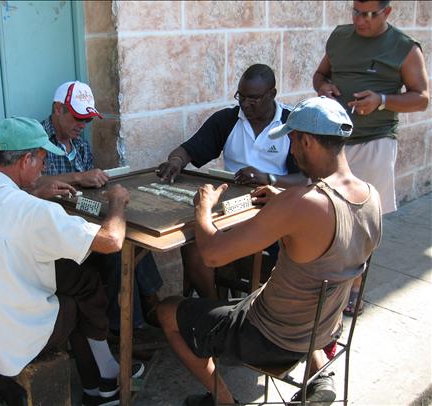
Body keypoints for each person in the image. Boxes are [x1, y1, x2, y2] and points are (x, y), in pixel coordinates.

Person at [157, 97, 382, 405]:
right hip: (324, 326)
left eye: (292, 141)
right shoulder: (371, 197)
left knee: (167, 310)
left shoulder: (301, 203)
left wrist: (203, 211)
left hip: (270, 337)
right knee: (273, 286)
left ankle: (223, 400)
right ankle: (320, 376)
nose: (291, 150)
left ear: (306, 139)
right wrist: (283, 202)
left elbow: (211, 254)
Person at [0, 117, 143, 406]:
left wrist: (34, 193)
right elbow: (111, 241)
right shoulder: (32, 211)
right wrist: (117, 201)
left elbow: (7, 218)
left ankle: (101, 379)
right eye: (41, 158)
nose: (45, 166)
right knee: (77, 300)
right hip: (15, 339)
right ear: (25, 160)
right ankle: (101, 383)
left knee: (78, 278)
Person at [313, 0, 429, 315]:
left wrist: (381, 101)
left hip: (375, 140)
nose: (361, 21)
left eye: (369, 14)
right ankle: (326, 283)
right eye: (356, 12)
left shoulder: (404, 48)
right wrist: (325, 87)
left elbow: (421, 98)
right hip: (334, 140)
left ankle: (354, 288)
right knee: (330, 216)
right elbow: (320, 74)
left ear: (387, 13)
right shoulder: (339, 36)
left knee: (362, 221)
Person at [156, 64, 307, 298]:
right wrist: (175, 161)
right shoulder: (227, 120)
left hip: (273, 208)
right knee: (194, 245)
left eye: (253, 98)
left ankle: (258, 306)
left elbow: (305, 179)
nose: (245, 104)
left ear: (272, 94)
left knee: (278, 255)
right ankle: (215, 309)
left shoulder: (291, 124)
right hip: (231, 208)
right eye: (241, 96)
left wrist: (268, 177)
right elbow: (189, 149)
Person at [38, 80, 163, 331]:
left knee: (132, 238)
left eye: (87, 120)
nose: (81, 125)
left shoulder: (81, 145)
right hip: (54, 231)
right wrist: (77, 177)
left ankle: (147, 307)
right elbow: (29, 184)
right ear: (57, 109)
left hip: (82, 223)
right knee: (116, 250)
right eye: (76, 118)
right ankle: (127, 327)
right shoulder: (36, 141)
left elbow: (86, 192)